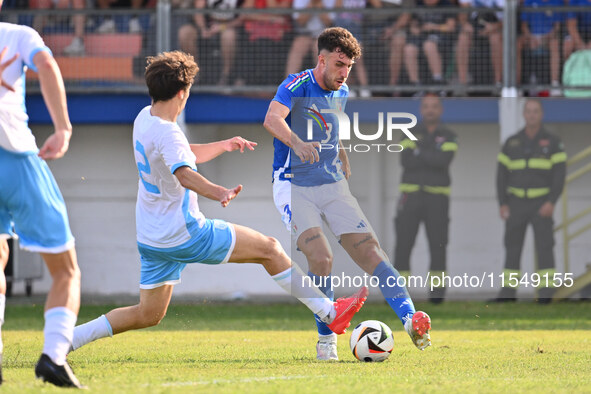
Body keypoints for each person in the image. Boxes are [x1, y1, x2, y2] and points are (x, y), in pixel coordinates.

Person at [69, 51, 368, 360]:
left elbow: (179, 154)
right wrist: (218, 192)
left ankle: (69, 339)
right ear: (183, 93)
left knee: (148, 314)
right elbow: (184, 173)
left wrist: (223, 145)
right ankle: (330, 313)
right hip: (184, 232)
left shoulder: (145, 117)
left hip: (151, 237)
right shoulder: (168, 131)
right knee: (269, 249)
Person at [263, 27, 431, 361]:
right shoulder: (295, 85)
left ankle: (411, 319)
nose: (344, 73)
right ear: (321, 58)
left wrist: (340, 150)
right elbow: (271, 119)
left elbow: (330, 123)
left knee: (372, 253)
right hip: (293, 184)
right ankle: (326, 343)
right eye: (339, 64)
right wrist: (297, 142)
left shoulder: (342, 92)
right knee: (322, 258)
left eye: (349, 67)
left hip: (332, 185)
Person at [0, 9, 84, 388]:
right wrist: (63, 128)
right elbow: (47, 64)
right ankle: (52, 357)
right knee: (66, 269)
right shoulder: (17, 34)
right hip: (16, 161)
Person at [494, 99, 566, 303]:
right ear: (524, 115)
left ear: (541, 114)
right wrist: (503, 203)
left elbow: (559, 175)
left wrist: (551, 201)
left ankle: (546, 293)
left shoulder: (553, 141)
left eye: (536, 111)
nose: (532, 115)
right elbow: (501, 176)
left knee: (544, 247)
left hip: (541, 203)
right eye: (529, 111)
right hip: (516, 203)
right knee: (512, 247)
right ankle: (508, 293)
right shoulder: (511, 142)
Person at [394, 94, 457, 304]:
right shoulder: (409, 132)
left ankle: (437, 297)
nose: (430, 110)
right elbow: (406, 161)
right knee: (403, 245)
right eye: (426, 106)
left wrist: (419, 152)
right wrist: (429, 154)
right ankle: (398, 296)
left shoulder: (449, 135)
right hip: (410, 197)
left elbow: (443, 161)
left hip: (437, 200)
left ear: (440, 110)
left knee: (438, 247)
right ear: (422, 110)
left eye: (434, 106)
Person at [403, 0, 456, 92]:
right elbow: (414, 22)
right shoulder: (418, 3)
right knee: (409, 49)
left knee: (429, 45)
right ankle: (415, 85)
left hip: (441, 35)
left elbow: (451, 27)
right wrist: (414, 28)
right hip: (422, 35)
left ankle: (438, 82)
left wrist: (434, 27)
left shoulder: (446, 4)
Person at [455, 0, 503, 93]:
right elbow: (463, 12)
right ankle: (462, 83)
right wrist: (465, 24)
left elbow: (508, 19)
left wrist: (494, 26)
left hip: (494, 27)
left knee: (496, 39)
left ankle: (498, 82)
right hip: (473, 26)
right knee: (462, 38)